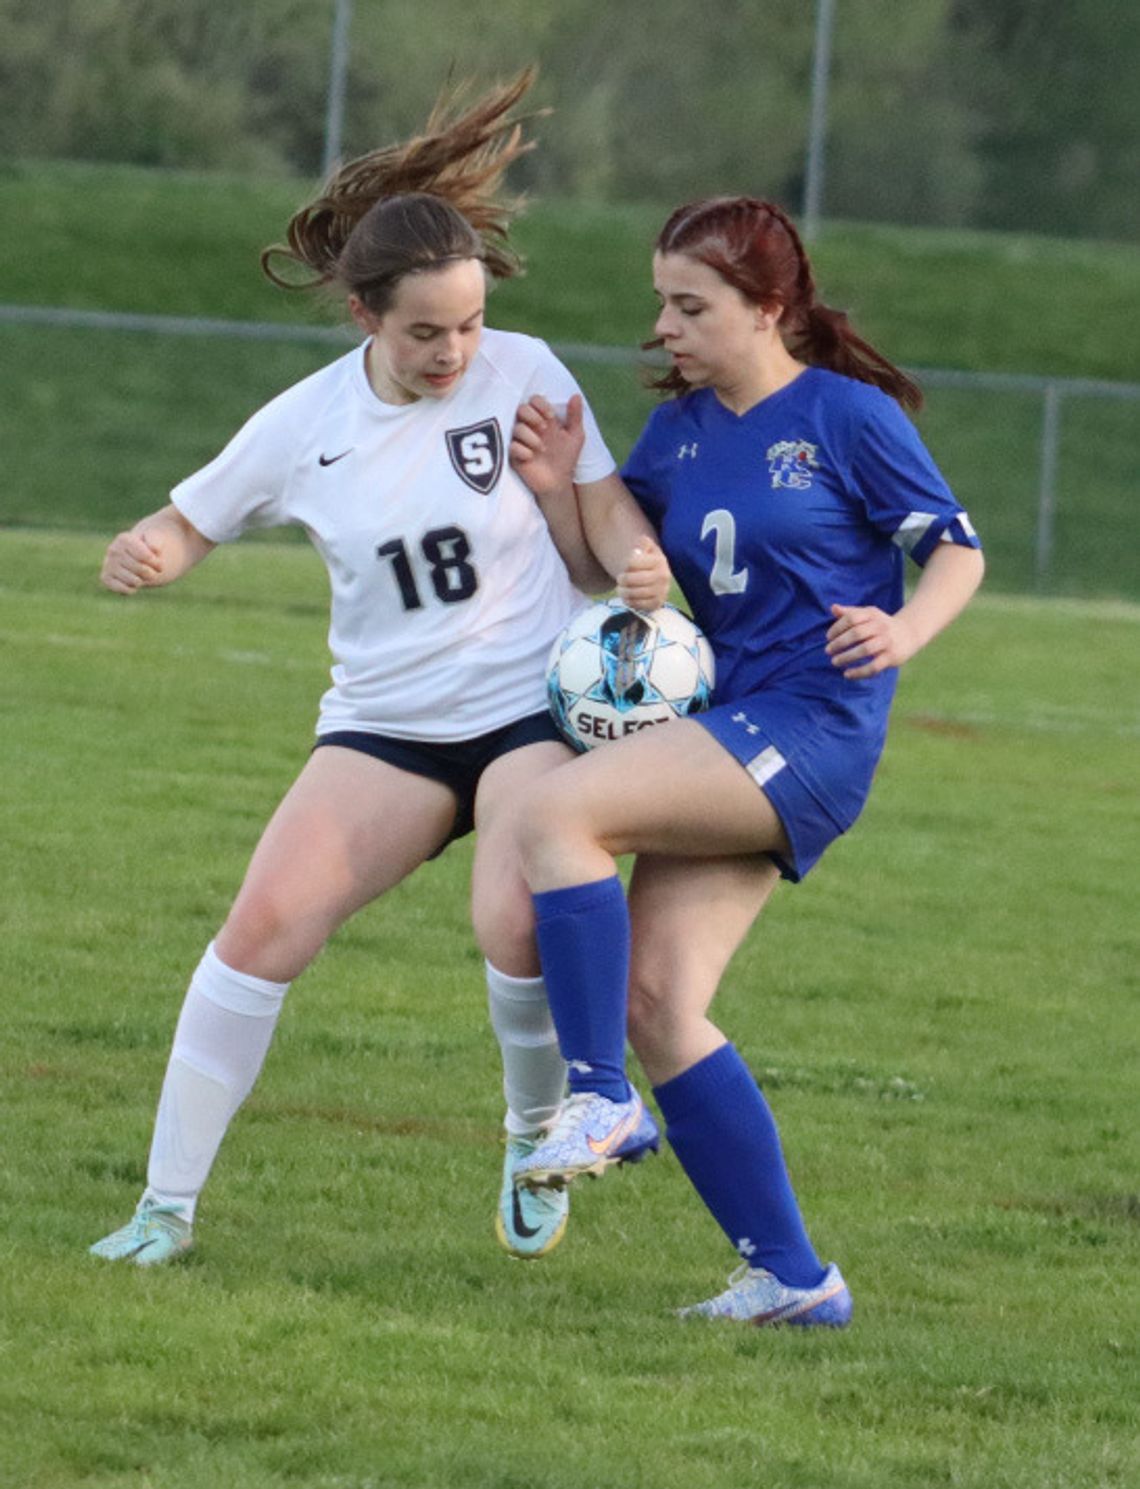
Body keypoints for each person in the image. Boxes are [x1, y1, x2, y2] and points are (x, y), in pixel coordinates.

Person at [89, 70, 669, 1268]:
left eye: (468, 323)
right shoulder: (304, 423)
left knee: (513, 914)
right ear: (364, 317)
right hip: (385, 730)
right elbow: (191, 520)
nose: (458, 349)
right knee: (258, 934)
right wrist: (153, 548)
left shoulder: (526, 369)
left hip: (528, 712)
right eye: (426, 331)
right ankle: (163, 1210)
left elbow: (606, 517)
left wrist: (640, 558)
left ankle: (529, 1135)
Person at [507, 195, 984, 1325]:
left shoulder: (845, 416)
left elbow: (956, 554)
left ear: (768, 308)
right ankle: (793, 1278)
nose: (664, 328)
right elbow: (611, 568)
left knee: (553, 813)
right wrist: (559, 489)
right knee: (660, 1000)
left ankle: (595, 1102)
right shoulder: (680, 433)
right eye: (660, 303)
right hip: (729, 728)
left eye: (690, 305)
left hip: (812, 724)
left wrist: (903, 631)